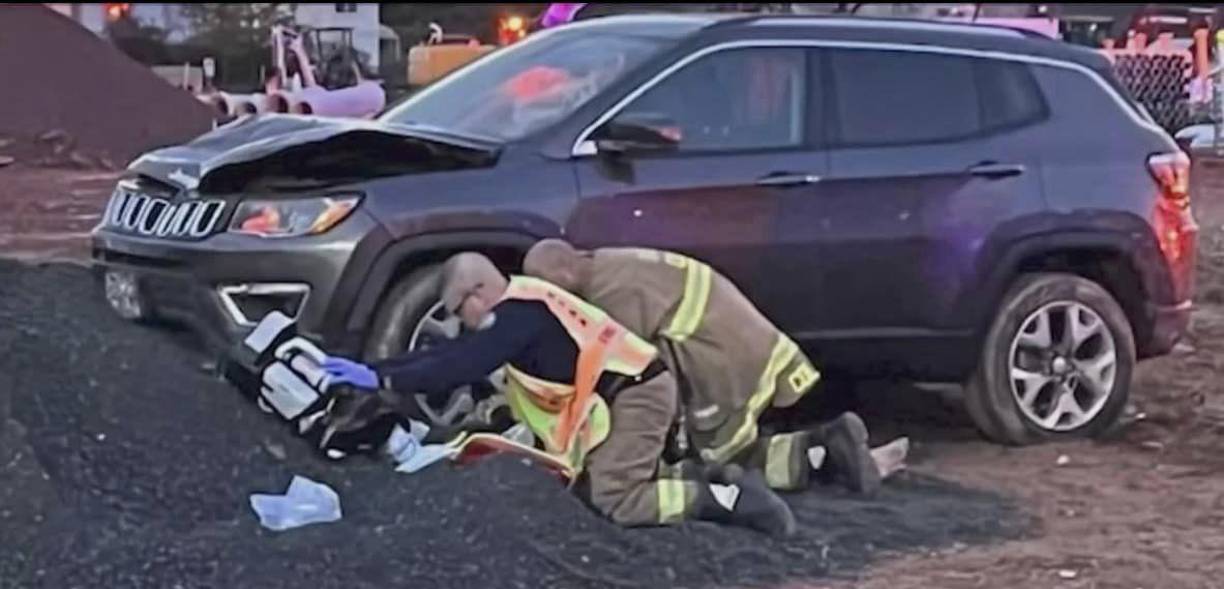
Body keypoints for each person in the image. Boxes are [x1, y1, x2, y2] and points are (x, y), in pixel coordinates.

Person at [321, 252, 805, 536]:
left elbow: (458, 364)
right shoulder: (521, 307)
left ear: (478, 294)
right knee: (611, 474)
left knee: (613, 497)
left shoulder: (517, 316)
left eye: (456, 311)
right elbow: (453, 356)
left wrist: (381, 380)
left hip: (636, 394)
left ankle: (725, 500)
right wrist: (373, 369)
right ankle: (714, 475)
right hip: (628, 393)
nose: (457, 323)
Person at [522, 239, 908, 497]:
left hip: (724, 361)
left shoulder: (611, 297)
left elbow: (634, 374)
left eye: (549, 290)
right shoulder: (609, 264)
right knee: (726, 451)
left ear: (564, 275)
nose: (551, 300)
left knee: (724, 461)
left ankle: (834, 452)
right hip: (735, 342)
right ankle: (835, 452)